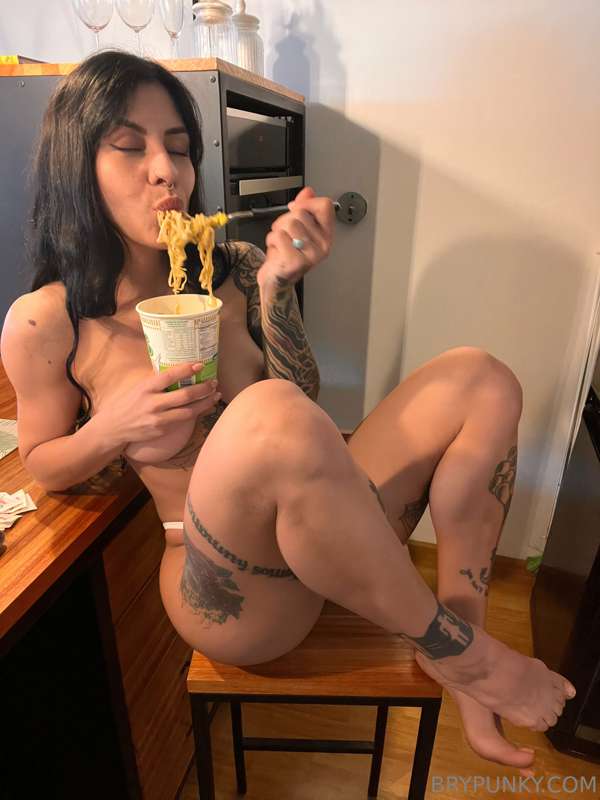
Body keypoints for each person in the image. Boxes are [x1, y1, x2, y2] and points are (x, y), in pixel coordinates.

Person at [0, 50, 575, 775]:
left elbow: (301, 403)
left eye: (179, 147)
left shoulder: (233, 266)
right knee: (267, 411)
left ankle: (460, 653)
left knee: (479, 378)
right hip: (228, 587)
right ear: (76, 167)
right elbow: (42, 463)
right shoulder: (48, 319)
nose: (166, 171)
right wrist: (114, 428)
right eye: (129, 147)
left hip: (328, 534)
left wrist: (275, 286)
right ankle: (468, 657)